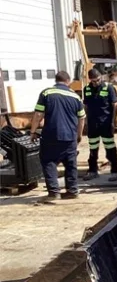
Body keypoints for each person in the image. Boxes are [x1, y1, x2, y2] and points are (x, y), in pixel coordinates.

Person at [30, 71, 86, 202]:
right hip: (70, 137)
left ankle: (54, 193)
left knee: (49, 162)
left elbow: (38, 115)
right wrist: (79, 135)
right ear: (68, 81)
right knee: (70, 163)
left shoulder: (46, 93)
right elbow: (82, 118)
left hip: (51, 136)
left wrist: (33, 131)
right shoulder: (75, 97)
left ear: (56, 80)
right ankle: (72, 190)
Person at [83, 69, 117, 181]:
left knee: (110, 147)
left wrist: (113, 122)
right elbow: (86, 106)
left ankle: (114, 171)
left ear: (101, 77)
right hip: (92, 123)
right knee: (93, 148)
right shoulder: (87, 89)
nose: (96, 83)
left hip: (106, 123)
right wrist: (85, 122)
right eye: (93, 81)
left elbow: (115, 105)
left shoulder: (109, 88)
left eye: (98, 80)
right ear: (90, 80)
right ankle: (93, 170)